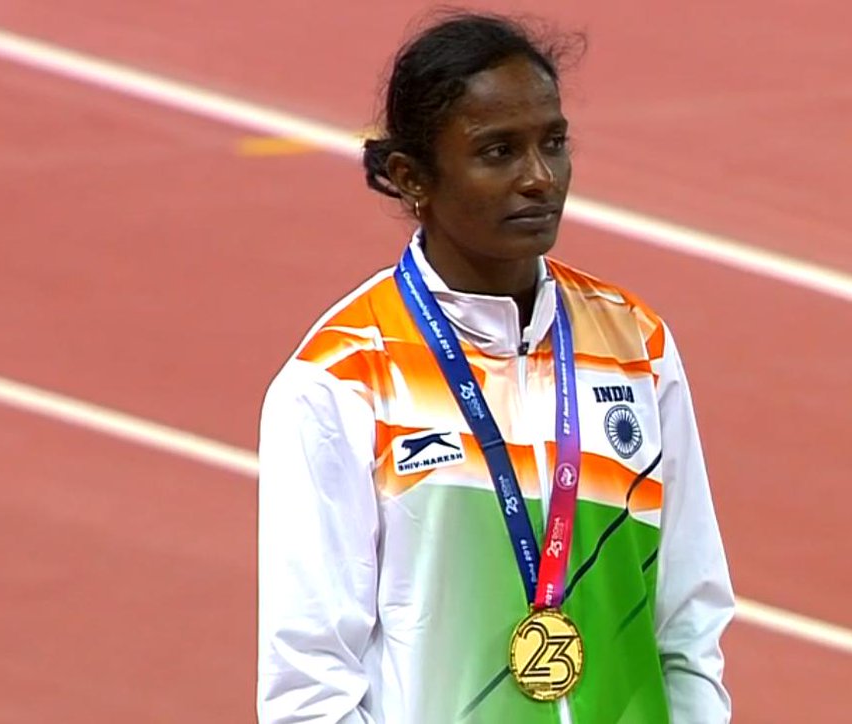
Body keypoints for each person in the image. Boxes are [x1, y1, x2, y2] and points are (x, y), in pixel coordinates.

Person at [257, 12, 733, 723]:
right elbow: (309, 680)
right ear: (411, 177)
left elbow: (689, 619)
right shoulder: (345, 378)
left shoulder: (633, 343)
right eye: (498, 151)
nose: (539, 178)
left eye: (554, 142)